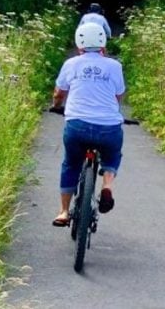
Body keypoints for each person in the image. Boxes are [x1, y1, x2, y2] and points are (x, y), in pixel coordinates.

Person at [50, 21, 125, 227]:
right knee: (112, 156)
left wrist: (57, 105)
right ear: (103, 43)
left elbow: (59, 93)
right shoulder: (114, 66)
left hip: (77, 126)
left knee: (71, 164)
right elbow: (118, 96)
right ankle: (107, 186)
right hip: (108, 127)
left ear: (78, 43)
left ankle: (64, 212)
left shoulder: (71, 64)